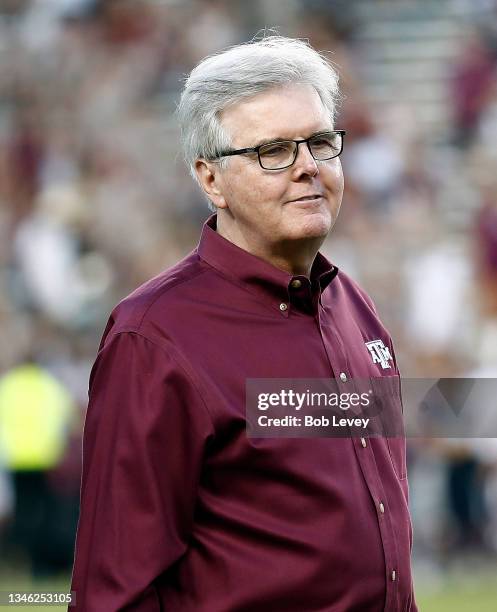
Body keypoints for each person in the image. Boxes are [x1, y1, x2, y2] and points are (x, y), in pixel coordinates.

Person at [70, 36, 417, 611]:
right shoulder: (154, 337)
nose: (308, 167)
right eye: (274, 150)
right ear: (210, 180)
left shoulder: (354, 306)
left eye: (321, 142)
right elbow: (114, 588)